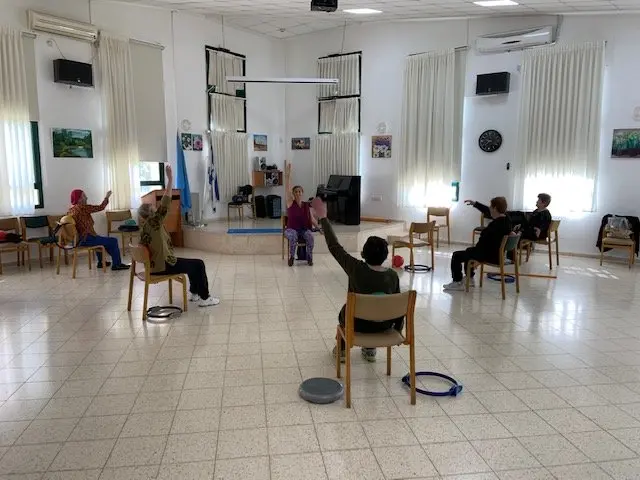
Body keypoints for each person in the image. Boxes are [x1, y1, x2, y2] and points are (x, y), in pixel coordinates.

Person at [311, 197, 402, 363]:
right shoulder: (393, 276)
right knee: (377, 305)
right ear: (385, 256)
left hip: (357, 324)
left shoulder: (356, 268)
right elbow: (397, 308)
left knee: (346, 311)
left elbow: (334, 246)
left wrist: (323, 217)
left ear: (363, 254)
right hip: (384, 326)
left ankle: (342, 349)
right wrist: (398, 329)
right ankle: (370, 349)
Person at [138, 164, 219, 307]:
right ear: (151, 213)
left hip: (155, 265)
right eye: (153, 207)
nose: (156, 207)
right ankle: (205, 298)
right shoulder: (154, 222)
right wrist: (170, 180)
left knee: (192, 264)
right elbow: (165, 202)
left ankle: (195, 293)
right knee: (199, 264)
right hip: (164, 265)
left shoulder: (145, 226)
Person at [443, 196, 512, 291]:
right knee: (469, 251)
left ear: (495, 208)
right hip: (498, 254)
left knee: (457, 255)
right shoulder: (507, 220)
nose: (489, 208)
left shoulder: (494, 226)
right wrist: (475, 204)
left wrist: (478, 260)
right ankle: (470, 278)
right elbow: (487, 211)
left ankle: (457, 282)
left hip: (490, 255)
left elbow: (483, 245)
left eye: (491, 206)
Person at [471, 193, 552, 261]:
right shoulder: (536, 211)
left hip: (534, 234)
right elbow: (530, 223)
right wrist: (521, 225)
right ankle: (509, 254)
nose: (536, 201)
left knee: (513, 230)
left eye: (538, 200)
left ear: (543, 203)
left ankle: (510, 256)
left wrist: (532, 229)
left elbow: (542, 226)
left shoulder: (545, 214)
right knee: (514, 218)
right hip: (530, 231)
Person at [67, 189, 129, 271]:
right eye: (84, 196)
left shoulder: (71, 210)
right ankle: (117, 264)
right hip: (86, 239)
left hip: (78, 240)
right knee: (113, 241)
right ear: (79, 199)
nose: (87, 198)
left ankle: (101, 262)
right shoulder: (83, 208)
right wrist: (107, 197)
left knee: (99, 238)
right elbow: (101, 207)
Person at [284, 163, 317, 266]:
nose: (298, 193)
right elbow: (287, 189)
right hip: (291, 229)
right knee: (293, 236)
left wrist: (319, 228)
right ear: (293, 194)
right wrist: (288, 175)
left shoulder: (306, 205)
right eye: (296, 192)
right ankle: (292, 257)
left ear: (302, 193)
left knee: (310, 236)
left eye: (299, 191)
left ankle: (309, 258)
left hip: (303, 229)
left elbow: (312, 219)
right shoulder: (290, 202)